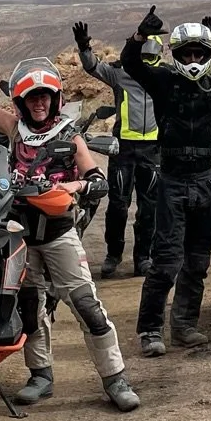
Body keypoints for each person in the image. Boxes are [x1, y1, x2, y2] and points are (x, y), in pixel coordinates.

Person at [0, 33, 141, 412]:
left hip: (58, 234)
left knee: (86, 304)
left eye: (44, 96)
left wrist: (72, 184)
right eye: (31, 97)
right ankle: (40, 374)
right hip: (19, 235)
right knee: (29, 306)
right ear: (22, 101)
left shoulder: (70, 137)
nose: (38, 103)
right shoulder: (13, 129)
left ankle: (115, 378)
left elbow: (97, 179)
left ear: (54, 99)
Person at [118, 6, 211, 355]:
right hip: (171, 179)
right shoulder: (164, 80)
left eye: (200, 52)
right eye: (187, 53)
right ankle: (150, 330)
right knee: (167, 259)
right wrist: (140, 36)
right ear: (176, 55)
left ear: (209, 54)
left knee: (198, 258)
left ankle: (185, 325)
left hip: (205, 179)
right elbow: (131, 63)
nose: (194, 58)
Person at [73, 21, 159, 278]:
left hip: (153, 149)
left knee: (149, 207)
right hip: (123, 148)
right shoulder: (120, 73)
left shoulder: (163, 75)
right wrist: (84, 46)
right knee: (119, 206)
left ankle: (143, 257)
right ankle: (113, 254)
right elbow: (92, 66)